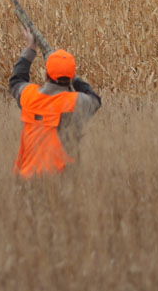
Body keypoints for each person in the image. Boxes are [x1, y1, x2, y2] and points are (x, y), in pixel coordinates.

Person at [8, 25, 101, 178]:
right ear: (71, 77)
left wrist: (30, 48)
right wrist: (72, 76)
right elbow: (95, 99)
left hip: (26, 180)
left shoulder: (29, 96)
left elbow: (16, 80)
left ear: (46, 75)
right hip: (61, 183)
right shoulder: (77, 102)